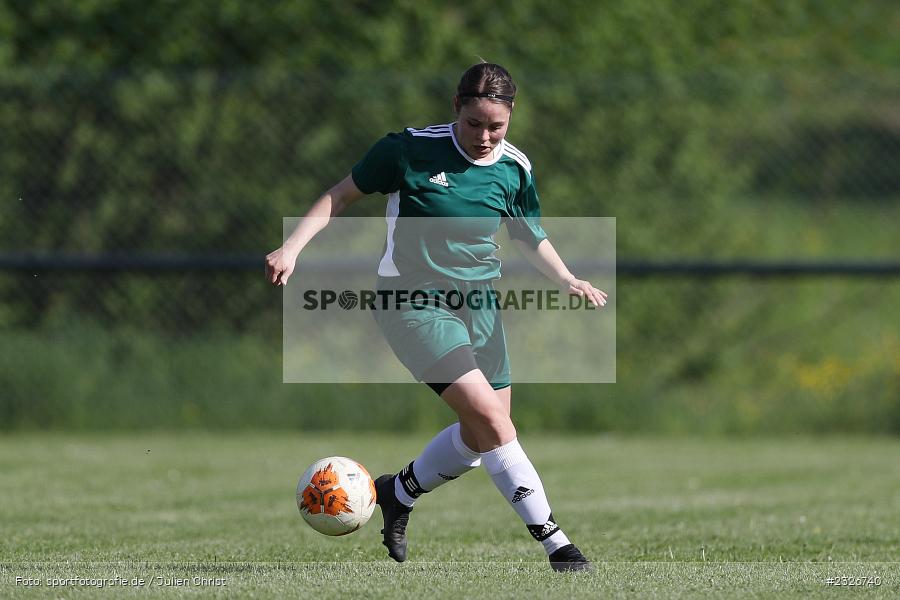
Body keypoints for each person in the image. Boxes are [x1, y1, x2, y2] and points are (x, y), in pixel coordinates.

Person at [265, 62, 607, 572]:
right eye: (475, 124)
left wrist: (566, 279)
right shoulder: (407, 150)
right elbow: (339, 195)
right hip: (412, 303)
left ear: (511, 117)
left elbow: (527, 234)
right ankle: (556, 542)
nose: (486, 137)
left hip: (482, 307)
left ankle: (398, 492)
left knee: (481, 433)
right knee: (492, 421)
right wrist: (292, 247)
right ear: (456, 109)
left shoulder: (515, 167)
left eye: (497, 126)